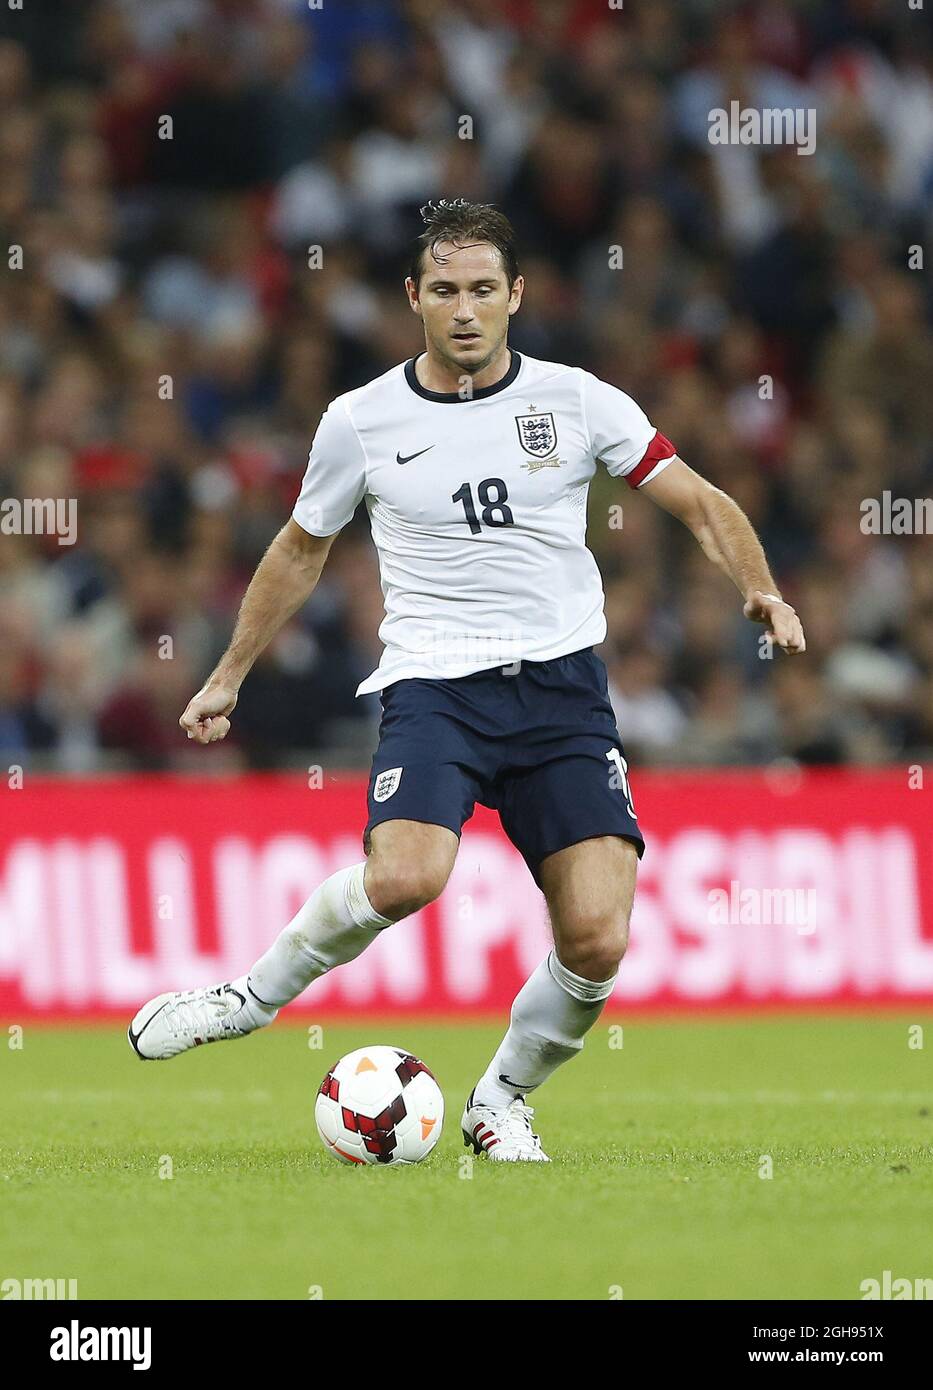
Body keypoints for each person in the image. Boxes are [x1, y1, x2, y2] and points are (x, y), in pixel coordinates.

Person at [128, 199, 806, 1161]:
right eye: (443, 289)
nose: (463, 309)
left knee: (597, 939)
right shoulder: (358, 420)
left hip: (562, 692)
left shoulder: (578, 401)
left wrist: (760, 589)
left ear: (516, 295)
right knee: (406, 874)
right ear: (412, 298)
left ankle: (500, 1100)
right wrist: (227, 673)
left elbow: (698, 501)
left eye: (483, 289)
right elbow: (297, 550)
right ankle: (247, 998)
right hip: (435, 684)